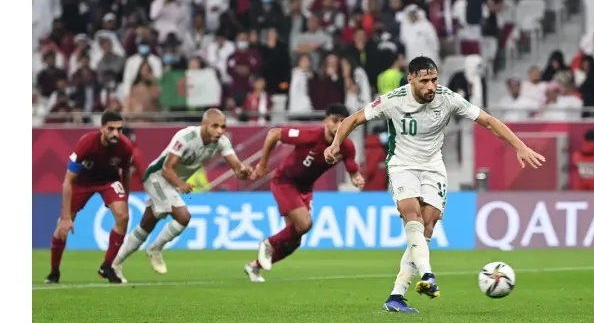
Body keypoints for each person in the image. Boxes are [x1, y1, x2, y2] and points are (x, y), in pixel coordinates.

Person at [323, 57, 545, 313]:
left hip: (433, 167)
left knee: (427, 225)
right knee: (411, 214)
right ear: (411, 80)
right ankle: (428, 275)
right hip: (402, 165)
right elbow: (352, 119)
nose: (431, 86)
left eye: (434, 79)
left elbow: (487, 121)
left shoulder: (447, 97)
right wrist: (336, 144)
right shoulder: (394, 100)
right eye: (424, 81)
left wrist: (520, 145)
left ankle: (396, 296)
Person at [111, 109, 252, 283]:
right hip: (157, 177)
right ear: (204, 125)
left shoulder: (221, 142)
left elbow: (237, 168)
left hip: (172, 185)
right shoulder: (186, 137)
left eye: (223, 127)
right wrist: (181, 184)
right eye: (215, 126)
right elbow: (167, 168)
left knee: (146, 225)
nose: (220, 131)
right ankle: (155, 248)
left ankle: (115, 264)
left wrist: (244, 171)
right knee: (183, 216)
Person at [244, 104, 365, 282]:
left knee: (295, 240)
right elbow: (274, 134)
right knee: (304, 224)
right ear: (326, 121)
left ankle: (255, 266)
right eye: (334, 120)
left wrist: (356, 177)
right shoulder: (311, 136)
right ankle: (269, 243)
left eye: (342, 121)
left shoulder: (346, 146)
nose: (338, 125)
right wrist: (263, 164)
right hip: (285, 182)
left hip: (305, 189)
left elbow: (352, 166)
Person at [46, 110, 134, 284]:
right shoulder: (86, 143)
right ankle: (54, 272)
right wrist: (65, 217)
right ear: (102, 128)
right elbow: (68, 180)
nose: (116, 133)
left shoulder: (126, 147)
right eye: (111, 129)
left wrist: (125, 197)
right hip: (82, 183)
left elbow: (126, 172)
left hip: (109, 181)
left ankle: (106, 266)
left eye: (119, 129)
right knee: (62, 227)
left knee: (123, 217)